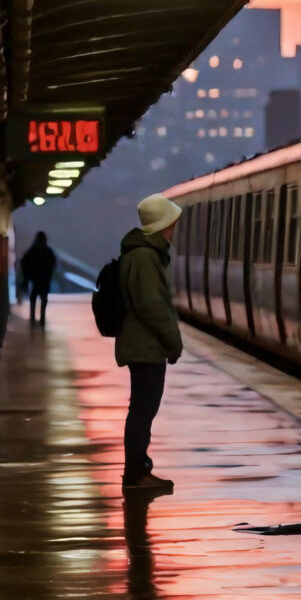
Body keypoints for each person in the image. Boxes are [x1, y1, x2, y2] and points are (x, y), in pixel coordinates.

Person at [116, 196, 184, 495]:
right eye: (172, 221)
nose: (175, 226)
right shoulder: (145, 257)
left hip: (142, 344)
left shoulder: (142, 253)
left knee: (143, 409)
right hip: (145, 346)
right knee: (143, 410)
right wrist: (174, 342)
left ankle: (139, 469)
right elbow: (152, 305)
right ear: (163, 224)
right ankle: (136, 474)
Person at [20, 232, 58, 324]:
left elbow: (24, 262)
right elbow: (52, 263)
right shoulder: (48, 251)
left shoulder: (33, 251)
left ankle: (34, 318)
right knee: (43, 298)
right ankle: (41, 318)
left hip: (36, 279)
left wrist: (27, 277)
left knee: (34, 297)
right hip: (43, 279)